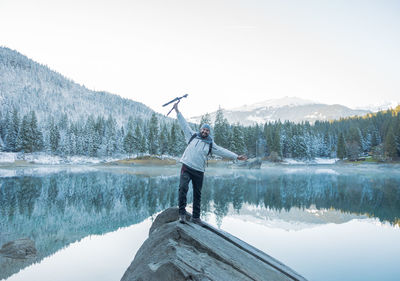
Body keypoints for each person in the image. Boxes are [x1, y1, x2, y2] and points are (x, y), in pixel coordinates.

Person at [173, 102, 247, 226]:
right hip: (186, 167)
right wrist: (177, 111)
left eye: (207, 130)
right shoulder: (191, 136)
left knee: (197, 194)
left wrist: (236, 156)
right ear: (200, 129)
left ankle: (196, 217)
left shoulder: (211, 144)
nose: (205, 131)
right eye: (204, 129)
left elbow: (222, 151)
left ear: (209, 132)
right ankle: (182, 214)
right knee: (183, 189)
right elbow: (184, 125)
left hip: (199, 171)